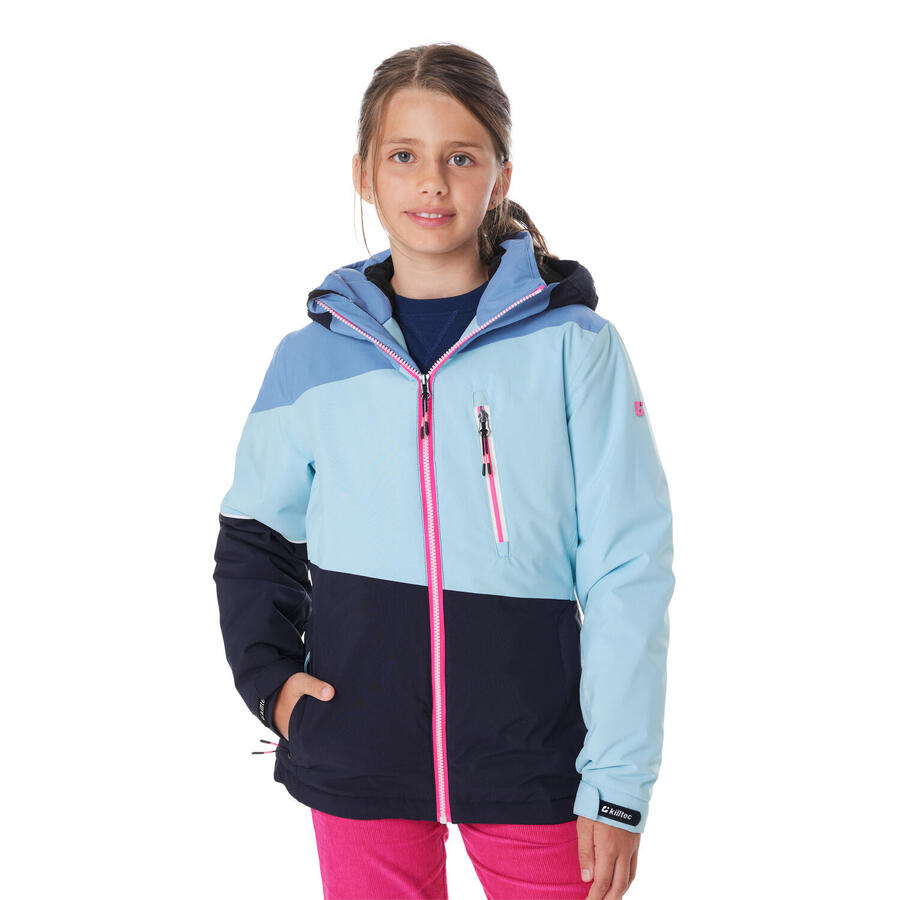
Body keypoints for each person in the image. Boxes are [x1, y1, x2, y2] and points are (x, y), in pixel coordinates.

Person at [213, 42, 675, 900]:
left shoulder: (575, 348)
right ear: (363, 173)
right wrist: (272, 686)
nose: (432, 182)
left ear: (500, 178)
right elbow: (254, 540)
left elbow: (627, 565)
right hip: (357, 755)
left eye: (460, 158)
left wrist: (617, 781)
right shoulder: (310, 359)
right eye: (404, 156)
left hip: (538, 759)